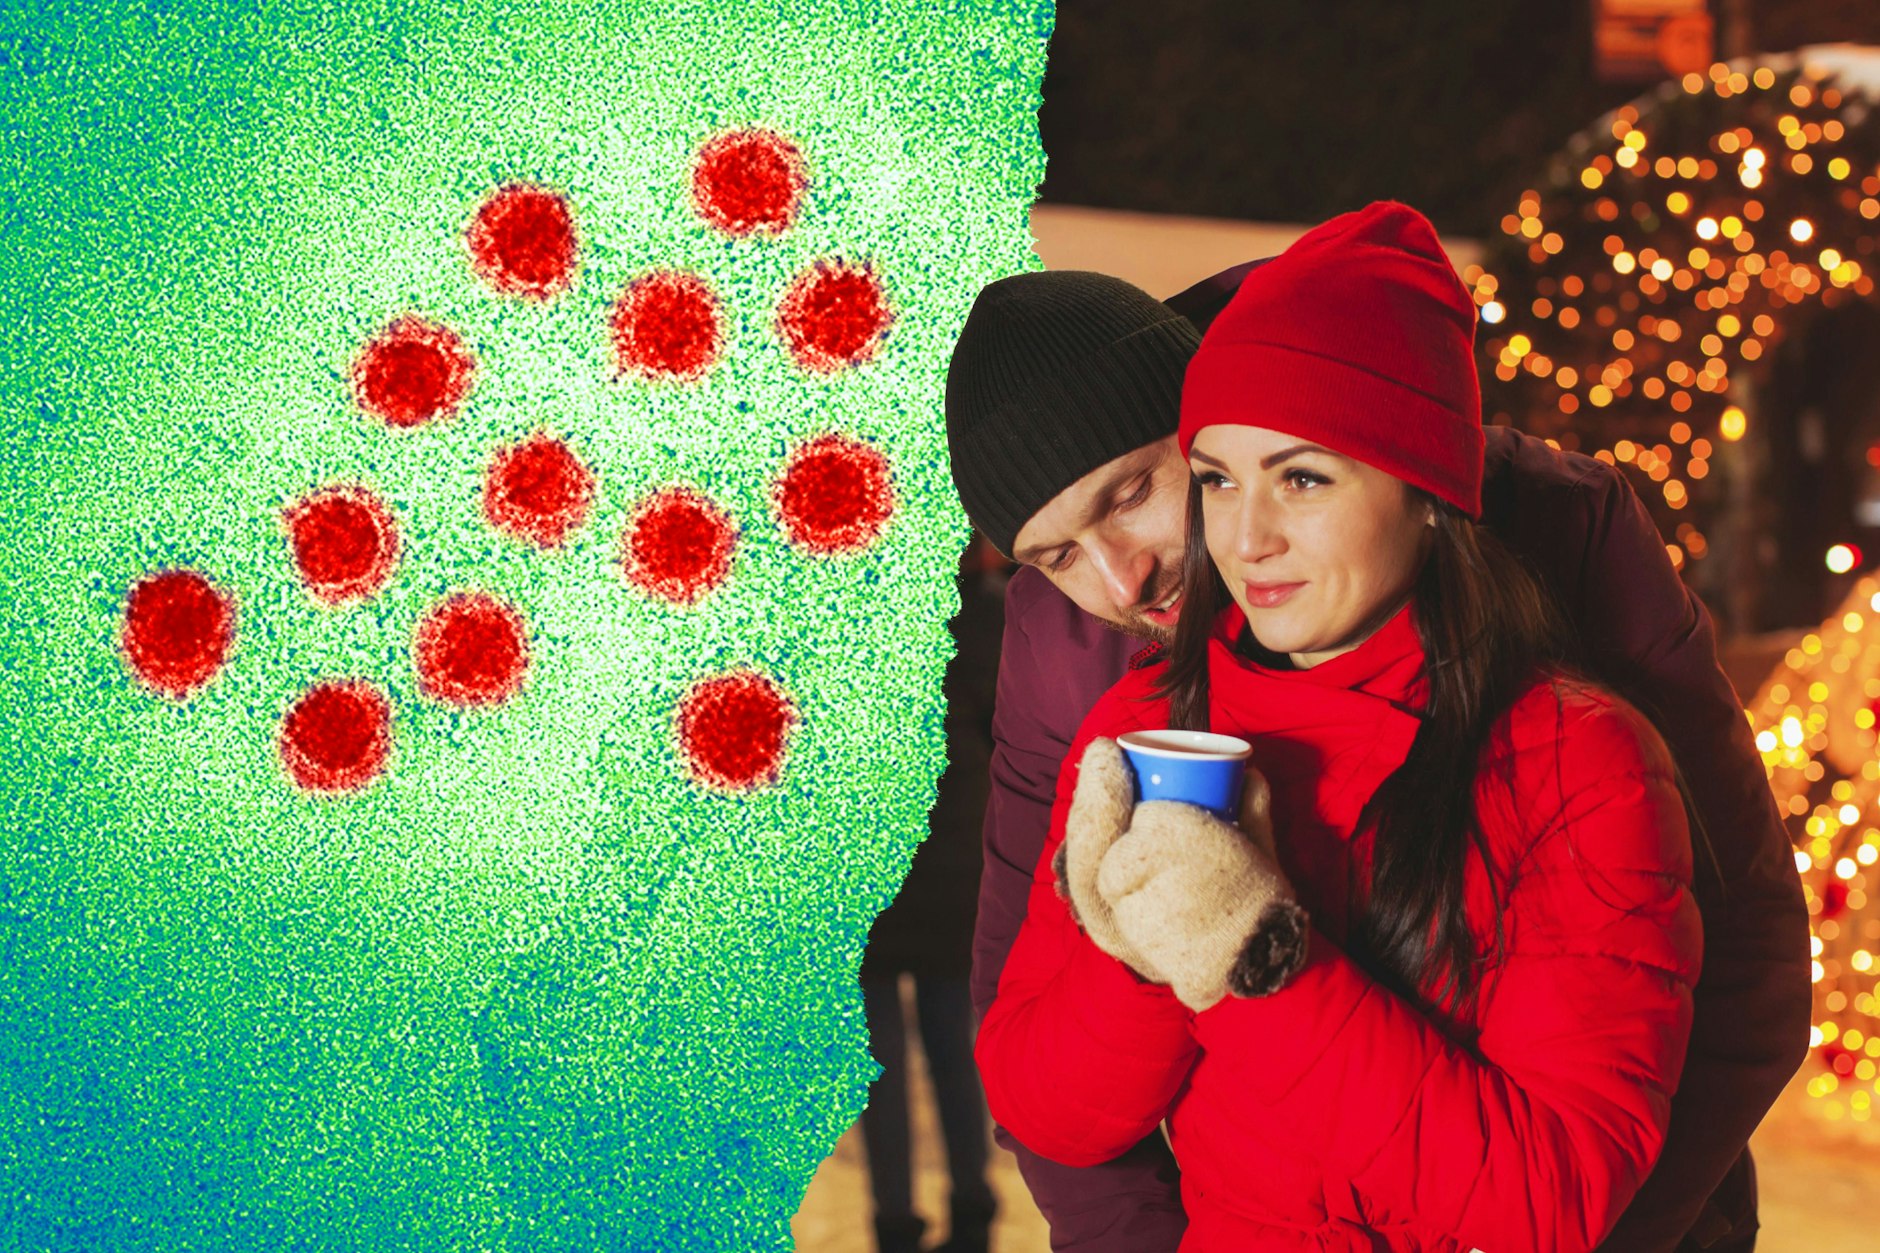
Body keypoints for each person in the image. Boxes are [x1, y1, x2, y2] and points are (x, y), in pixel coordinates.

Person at [943, 233, 1811, 1246]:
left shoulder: (1564, 638)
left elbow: (1737, 952)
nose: (1117, 579)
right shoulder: (1096, 677)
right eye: (1052, 556)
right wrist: (1129, 953)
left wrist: (1253, 959)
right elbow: (1041, 1088)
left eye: (1133, 494)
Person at [858, 535, 1006, 1253]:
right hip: (953, 859)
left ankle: (894, 1223)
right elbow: (1002, 731)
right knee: (954, 1046)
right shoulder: (976, 618)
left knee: (876, 1062)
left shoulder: (842, 627)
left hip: (866, 874)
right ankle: (972, 1210)